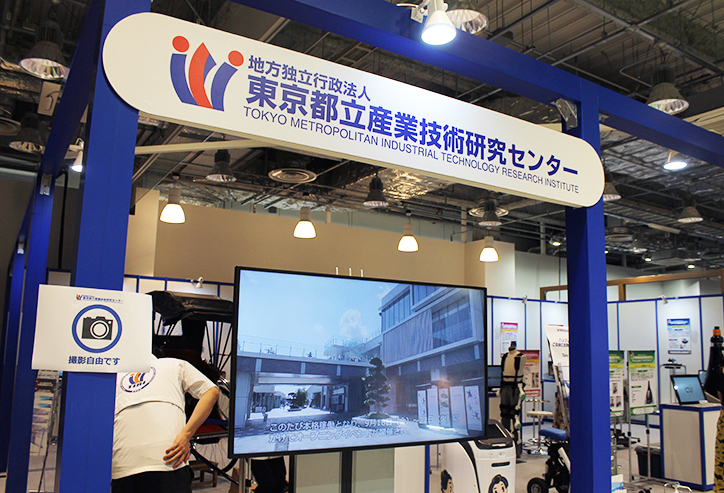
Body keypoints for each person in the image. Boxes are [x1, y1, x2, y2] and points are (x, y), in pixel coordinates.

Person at [111, 356, 219, 492]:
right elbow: (211, 392)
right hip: (168, 458)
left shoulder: (115, 376)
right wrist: (186, 435)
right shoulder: (175, 364)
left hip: (123, 464)